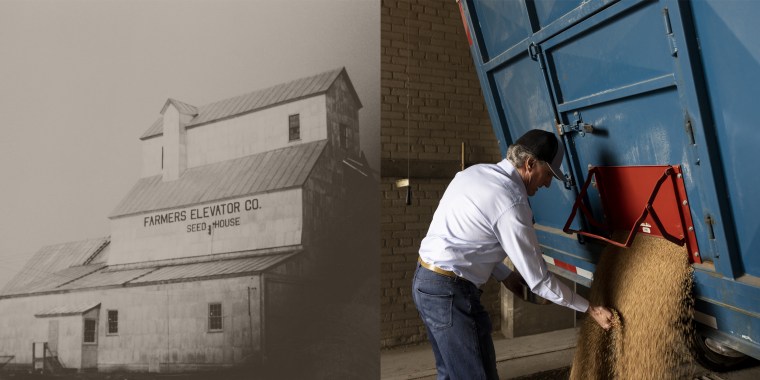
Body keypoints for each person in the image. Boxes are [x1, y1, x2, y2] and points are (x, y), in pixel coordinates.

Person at [413, 129, 614, 380]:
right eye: (548, 174)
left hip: (426, 283)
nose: (548, 183)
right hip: (450, 293)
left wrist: (505, 275)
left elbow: (471, 239)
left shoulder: (474, 174)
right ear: (530, 164)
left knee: (450, 373)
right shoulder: (511, 201)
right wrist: (591, 309)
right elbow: (539, 281)